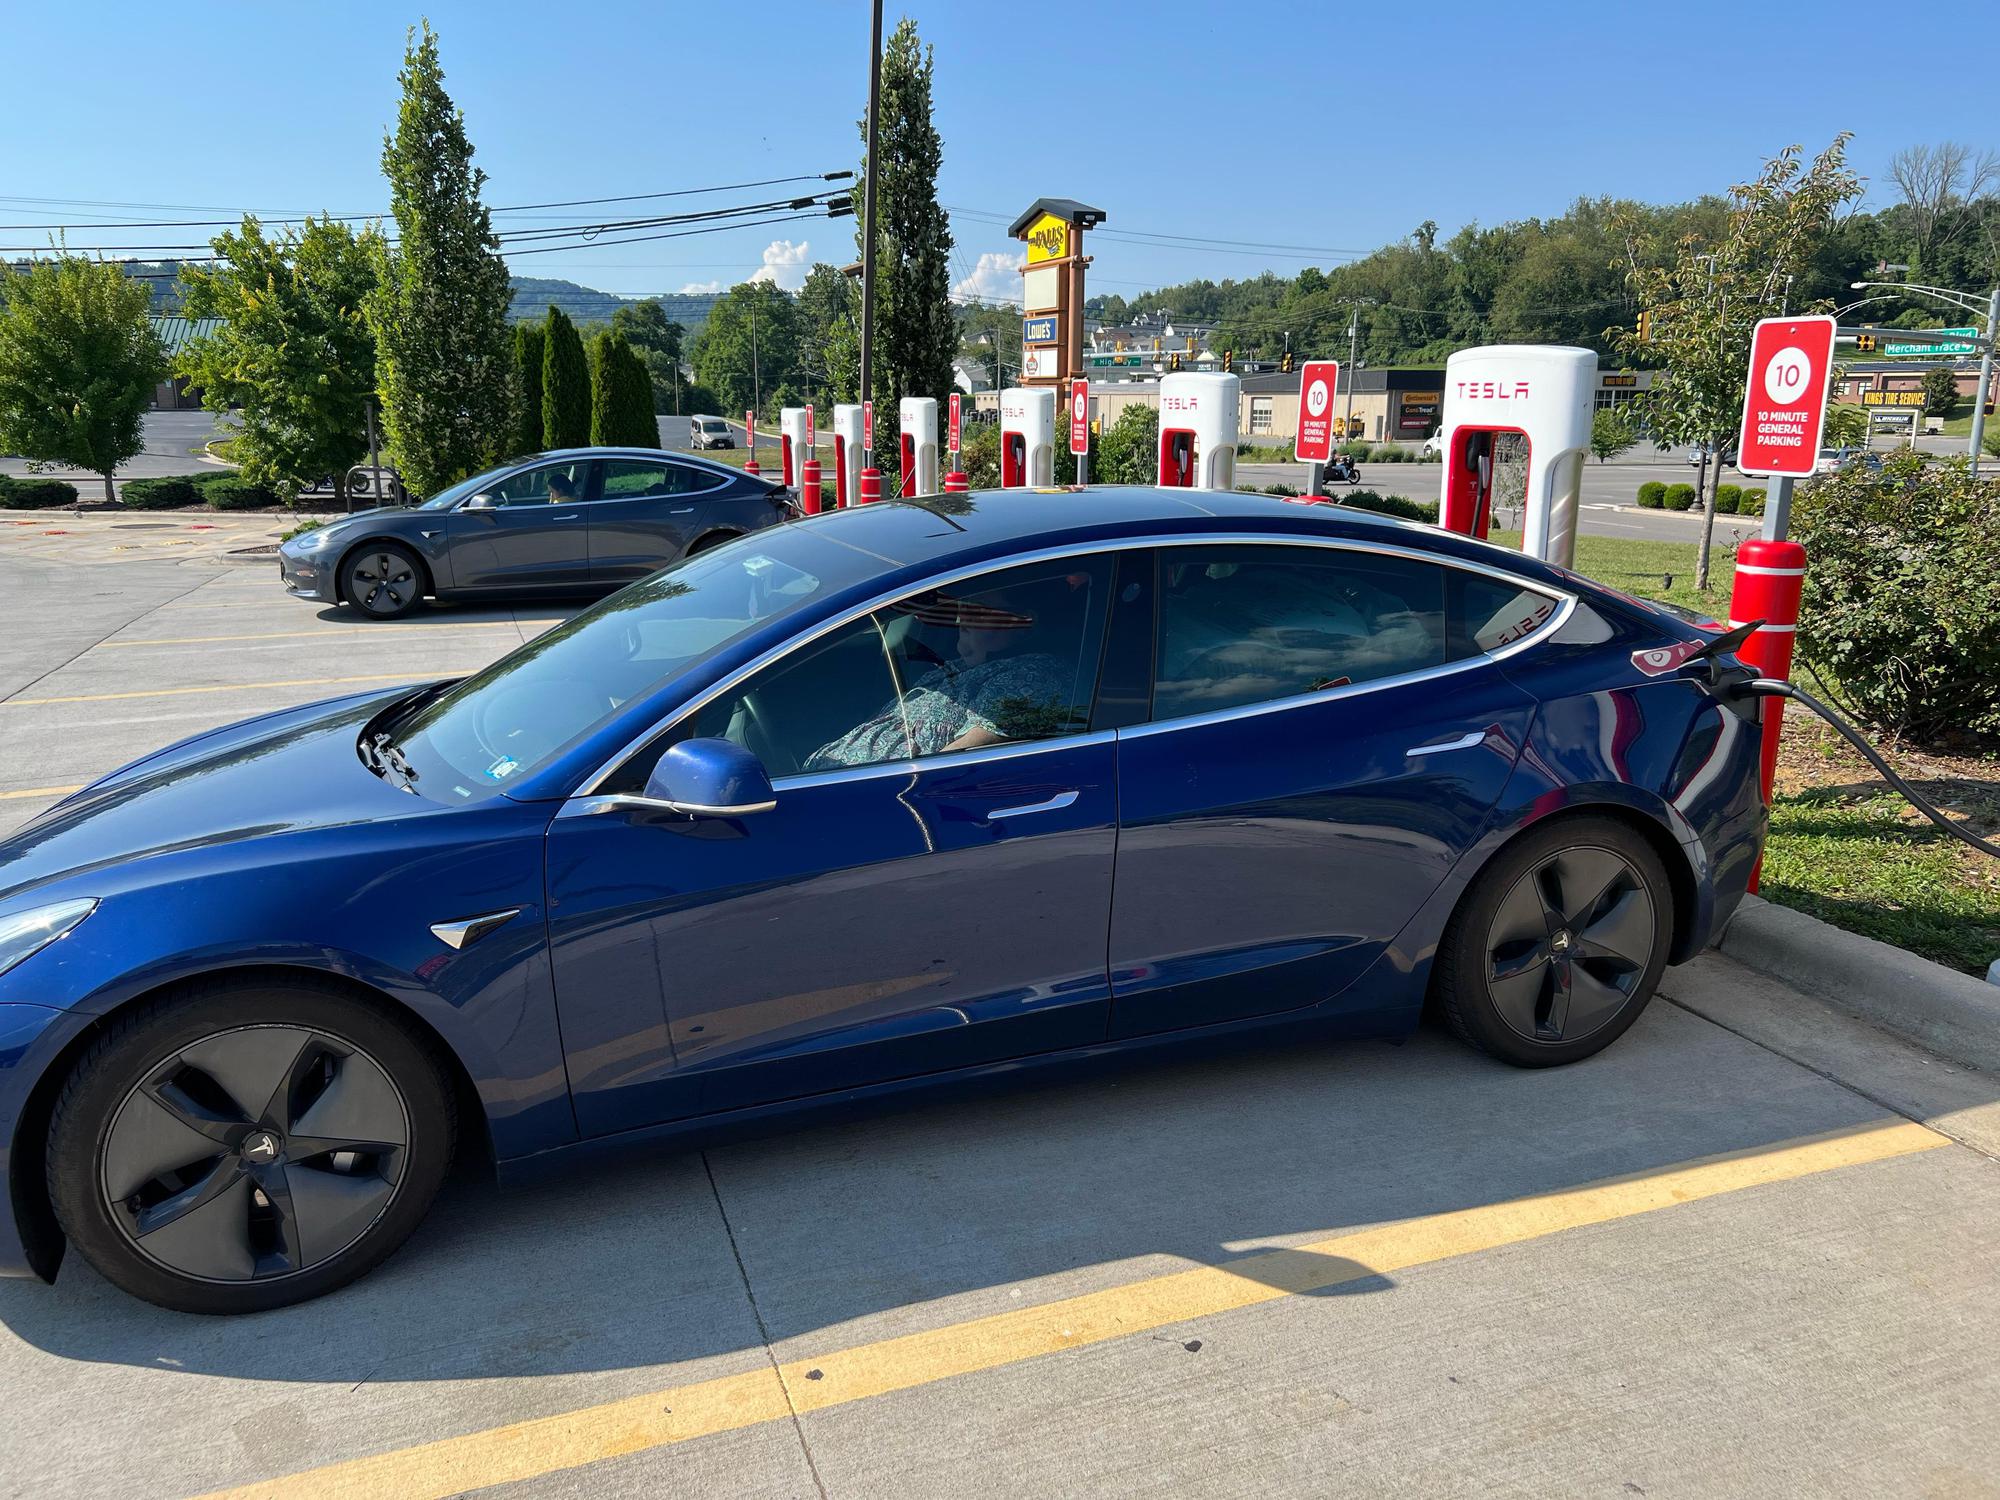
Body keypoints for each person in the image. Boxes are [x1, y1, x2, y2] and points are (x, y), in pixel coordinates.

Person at [806, 588, 1072, 770]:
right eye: (962, 607)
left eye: (977, 612)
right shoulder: (963, 666)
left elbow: (955, 762)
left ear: (1023, 621)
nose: (962, 619)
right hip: (829, 771)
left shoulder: (1031, 677)